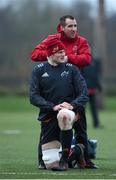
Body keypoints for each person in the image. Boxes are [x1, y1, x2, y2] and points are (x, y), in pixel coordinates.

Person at [30, 15, 98, 169]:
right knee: (47, 126)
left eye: (75, 26)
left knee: (81, 127)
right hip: (53, 91)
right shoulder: (52, 40)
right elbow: (35, 55)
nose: (74, 29)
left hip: (73, 90)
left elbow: (86, 59)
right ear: (61, 28)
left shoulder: (81, 41)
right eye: (70, 26)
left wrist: (67, 57)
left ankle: (85, 159)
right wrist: (53, 54)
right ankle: (42, 160)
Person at [82, 58, 103, 128]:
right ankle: (80, 124)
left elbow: (95, 76)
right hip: (84, 89)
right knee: (82, 108)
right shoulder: (82, 61)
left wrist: (99, 86)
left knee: (93, 108)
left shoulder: (94, 62)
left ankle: (96, 124)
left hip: (92, 89)